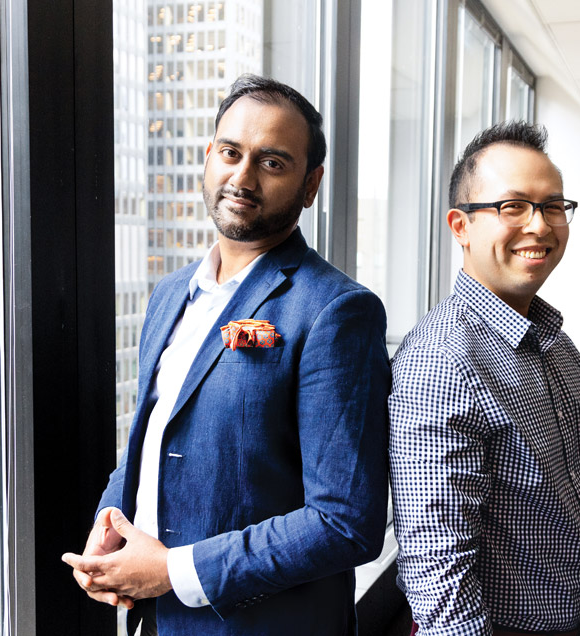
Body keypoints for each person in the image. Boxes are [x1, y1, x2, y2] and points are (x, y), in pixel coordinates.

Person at [62, 74, 390, 635]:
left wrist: (172, 570)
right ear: (208, 157)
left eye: (273, 162)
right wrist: (109, 523)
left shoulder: (338, 310)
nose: (243, 176)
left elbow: (346, 523)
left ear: (310, 185)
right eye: (231, 153)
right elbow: (156, 435)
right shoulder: (170, 295)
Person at [388, 121, 580, 636]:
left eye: (553, 206)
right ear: (461, 226)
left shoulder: (552, 341)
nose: (539, 225)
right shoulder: (444, 361)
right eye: (512, 206)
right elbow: (438, 573)